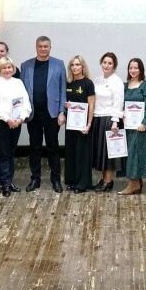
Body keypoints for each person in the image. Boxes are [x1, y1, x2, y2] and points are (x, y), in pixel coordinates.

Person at [21, 36, 67, 193]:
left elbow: (62, 89)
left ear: (50, 47)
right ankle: (35, 179)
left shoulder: (59, 64)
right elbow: (21, 91)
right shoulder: (26, 65)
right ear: (36, 47)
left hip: (52, 114)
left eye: (46, 46)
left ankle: (56, 180)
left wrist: (61, 112)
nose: (43, 49)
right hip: (33, 114)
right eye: (40, 46)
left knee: (53, 147)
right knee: (34, 148)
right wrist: (22, 112)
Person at [0, 56, 31, 197]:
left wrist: (21, 118)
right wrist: (8, 119)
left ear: (13, 69)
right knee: (3, 153)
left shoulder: (18, 82)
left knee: (11, 152)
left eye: (9, 67)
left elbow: (26, 103)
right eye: (4, 68)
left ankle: (9, 181)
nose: (7, 70)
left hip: (16, 123)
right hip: (1, 123)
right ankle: (5, 183)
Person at [119, 58, 146, 195]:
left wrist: (145, 122)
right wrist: (121, 113)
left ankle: (132, 184)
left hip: (140, 127)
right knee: (130, 154)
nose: (133, 70)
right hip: (127, 126)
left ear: (141, 70)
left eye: (136, 68)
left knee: (135, 154)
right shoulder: (125, 86)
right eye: (131, 68)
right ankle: (137, 182)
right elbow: (120, 104)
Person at [91, 52, 125, 192]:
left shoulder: (117, 81)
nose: (106, 65)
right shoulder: (97, 80)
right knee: (100, 151)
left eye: (110, 63)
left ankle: (108, 181)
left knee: (108, 152)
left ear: (114, 66)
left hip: (110, 119)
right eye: (104, 62)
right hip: (97, 118)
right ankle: (103, 179)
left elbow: (118, 102)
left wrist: (115, 122)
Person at [64, 55, 95, 193]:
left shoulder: (88, 83)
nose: (75, 67)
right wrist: (66, 105)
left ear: (83, 67)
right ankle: (72, 181)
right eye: (72, 65)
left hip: (83, 126)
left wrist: (89, 124)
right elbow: (65, 102)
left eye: (78, 64)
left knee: (82, 153)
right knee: (71, 152)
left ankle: (82, 184)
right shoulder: (68, 83)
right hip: (71, 124)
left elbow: (91, 105)